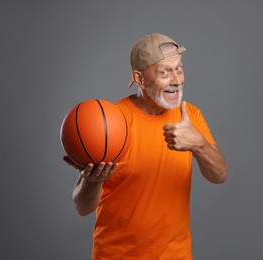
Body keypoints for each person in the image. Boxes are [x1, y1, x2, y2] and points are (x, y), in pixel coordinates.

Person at [63, 33, 227, 259]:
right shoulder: (112, 122)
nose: (177, 80)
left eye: (178, 69)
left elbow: (219, 175)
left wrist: (198, 144)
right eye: (164, 72)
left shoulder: (190, 116)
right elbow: (83, 207)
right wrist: (93, 180)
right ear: (139, 79)